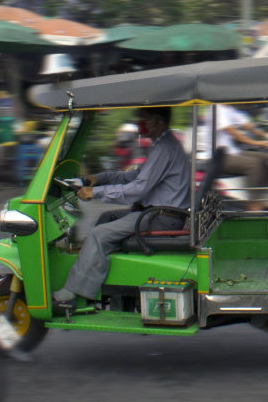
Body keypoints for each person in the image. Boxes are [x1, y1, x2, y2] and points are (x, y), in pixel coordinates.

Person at [52, 106, 191, 307]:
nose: (139, 123)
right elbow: (133, 176)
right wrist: (98, 179)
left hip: (160, 218)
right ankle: (98, 278)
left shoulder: (164, 149)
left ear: (158, 123)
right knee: (104, 219)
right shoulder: (163, 146)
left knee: (99, 235)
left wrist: (95, 193)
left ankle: (73, 292)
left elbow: (138, 188)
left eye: (145, 119)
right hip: (155, 214)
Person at [209, 104, 268, 211]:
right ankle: (254, 203)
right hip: (219, 156)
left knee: (266, 158)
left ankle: (264, 196)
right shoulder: (216, 109)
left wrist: (267, 135)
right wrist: (258, 143)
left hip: (232, 152)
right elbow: (234, 133)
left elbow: (246, 124)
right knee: (254, 164)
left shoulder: (228, 108)